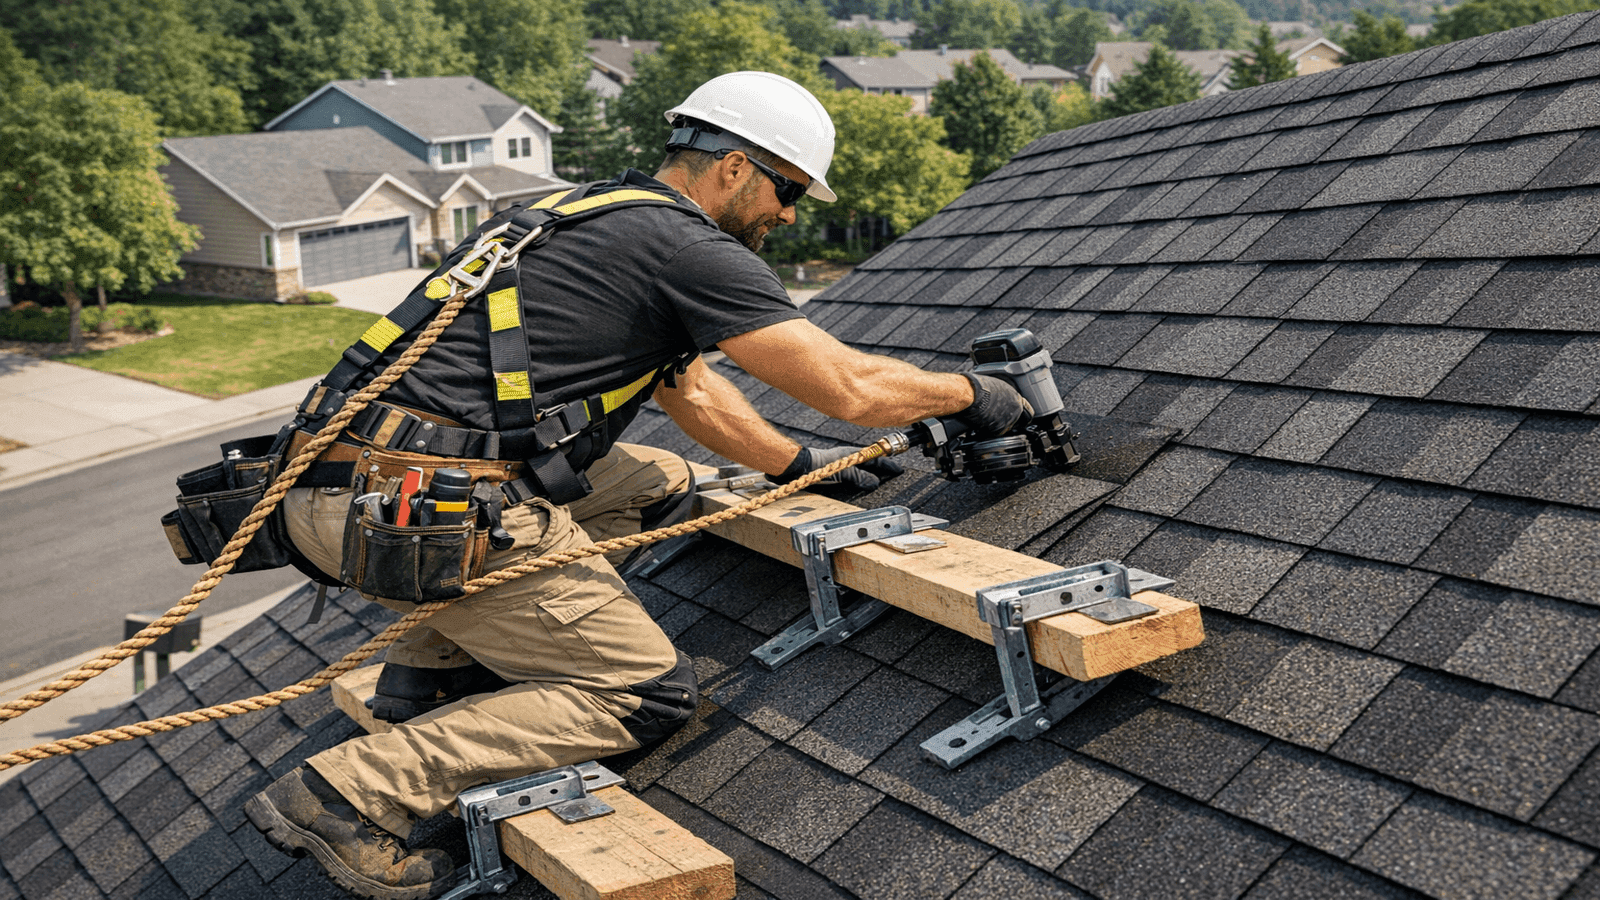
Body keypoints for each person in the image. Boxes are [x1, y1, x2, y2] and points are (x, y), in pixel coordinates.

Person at [244, 71, 1030, 900]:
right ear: (734, 166)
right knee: (644, 694)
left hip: (340, 487)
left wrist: (793, 468)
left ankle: (430, 669)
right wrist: (977, 395)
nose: (790, 213)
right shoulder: (687, 246)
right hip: (427, 510)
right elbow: (849, 386)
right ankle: (346, 795)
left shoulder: (587, 216)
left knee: (665, 484)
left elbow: (688, 392)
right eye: (788, 188)